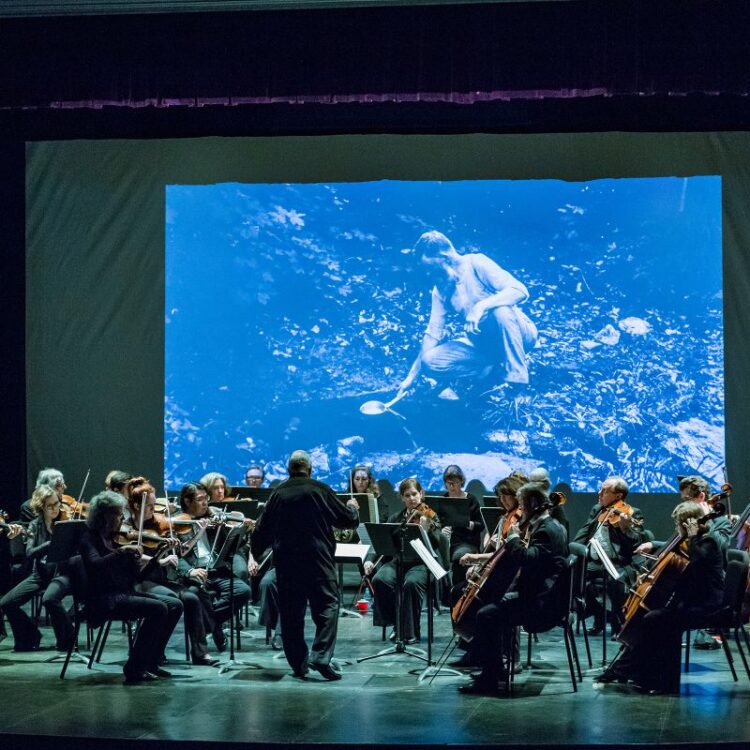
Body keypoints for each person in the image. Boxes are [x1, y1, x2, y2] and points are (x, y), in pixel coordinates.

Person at [392, 230, 537, 403]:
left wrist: (481, 306)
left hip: (519, 334)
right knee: (430, 361)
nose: (430, 274)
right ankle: (493, 370)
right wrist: (411, 377)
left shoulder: (476, 262)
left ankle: (517, 386)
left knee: (501, 311)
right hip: (484, 345)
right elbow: (432, 334)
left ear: (445, 258)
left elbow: (520, 290)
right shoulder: (440, 289)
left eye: (432, 269)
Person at [251, 450, 359, 680]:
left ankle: (298, 665)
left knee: (291, 614)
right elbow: (347, 520)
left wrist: (256, 553)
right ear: (310, 469)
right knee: (328, 606)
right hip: (318, 559)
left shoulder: (278, 493)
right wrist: (353, 508)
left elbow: (262, 530)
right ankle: (320, 656)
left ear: (288, 470)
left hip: (287, 561)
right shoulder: (320, 489)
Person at [597, 500, 725, 694]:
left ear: (689, 524)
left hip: (707, 604)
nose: (676, 528)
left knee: (655, 619)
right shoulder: (694, 542)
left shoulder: (708, 542)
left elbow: (697, 564)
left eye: (678, 524)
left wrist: (692, 537)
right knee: (653, 618)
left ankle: (656, 680)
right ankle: (638, 674)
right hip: (690, 601)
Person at [459, 482, 569, 695]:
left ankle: (489, 678)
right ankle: (495, 669)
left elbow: (526, 559)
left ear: (532, 504)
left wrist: (513, 537)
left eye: (522, 504)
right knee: (495, 605)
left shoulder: (545, 531)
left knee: (486, 615)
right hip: (543, 596)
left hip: (542, 605)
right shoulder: (552, 525)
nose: (520, 509)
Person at [80, 491, 179, 684]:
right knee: (159, 608)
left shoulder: (115, 539)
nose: (122, 519)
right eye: (118, 514)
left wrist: (158, 555)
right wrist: (122, 551)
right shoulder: (89, 539)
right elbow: (95, 565)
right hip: (104, 599)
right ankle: (135, 667)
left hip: (124, 593)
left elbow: (138, 577)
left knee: (175, 605)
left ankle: (150, 661)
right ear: (105, 516)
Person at [635, 475, 730, 651]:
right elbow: (681, 546)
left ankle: (655, 663)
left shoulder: (717, 523)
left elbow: (720, 547)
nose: (684, 502)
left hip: (706, 591)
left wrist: (705, 519)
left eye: (687, 499)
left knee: (658, 618)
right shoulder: (690, 522)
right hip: (691, 587)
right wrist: (654, 548)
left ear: (701, 497)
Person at [174, 482, 252, 655]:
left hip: (216, 571)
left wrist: (240, 529)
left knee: (243, 591)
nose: (205, 503)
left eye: (206, 498)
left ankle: (211, 623)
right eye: (200, 499)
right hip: (194, 574)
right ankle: (213, 630)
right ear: (187, 501)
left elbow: (233, 546)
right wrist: (189, 571)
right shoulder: (177, 523)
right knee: (193, 596)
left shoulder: (213, 518)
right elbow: (175, 555)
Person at [0, 486, 75, 652]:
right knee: (6, 603)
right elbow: (30, 553)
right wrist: (50, 544)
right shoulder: (35, 525)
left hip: (62, 574)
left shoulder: (66, 524)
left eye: (57, 503)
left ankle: (67, 640)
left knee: (49, 599)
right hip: (40, 574)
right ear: (41, 508)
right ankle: (30, 636)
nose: (55, 508)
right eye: (50, 506)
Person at [371, 477, 442, 645]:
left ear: (421, 494)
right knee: (380, 579)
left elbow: (437, 543)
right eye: (407, 495)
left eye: (414, 494)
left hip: (421, 563)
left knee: (411, 583)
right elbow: (384, 543)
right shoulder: (396, 518)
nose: (412, 498)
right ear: (402, 498)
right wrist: (371, 561)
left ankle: (411, 632)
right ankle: (396, 623)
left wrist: (426, 530)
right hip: (399, 561)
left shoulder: (430, 516)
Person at [573, 476, 646, 636]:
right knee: (572, 575)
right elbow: (586, 530)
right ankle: (598, 614)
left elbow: (637, 541)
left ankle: (617, 625)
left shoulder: (633, 513)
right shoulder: (598, 509)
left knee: (615, 582)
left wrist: (624, 529)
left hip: (617, 563)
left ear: (618, 495)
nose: (599, 493)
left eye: (604, 491)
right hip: (595, 561)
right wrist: (574, 548)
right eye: (600, 489)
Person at [440, 464, 483, 588]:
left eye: (455, 483)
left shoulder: (471, 499)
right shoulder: (443, 499)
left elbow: (481, 525)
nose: (452, 486)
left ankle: (458, 590)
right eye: (449, 483)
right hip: (446, 542)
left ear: (461, 482)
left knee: (459, 556)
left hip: (466, 542)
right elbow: (437, 522)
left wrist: (468, 523)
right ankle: (444, 592)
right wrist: (441, 529)